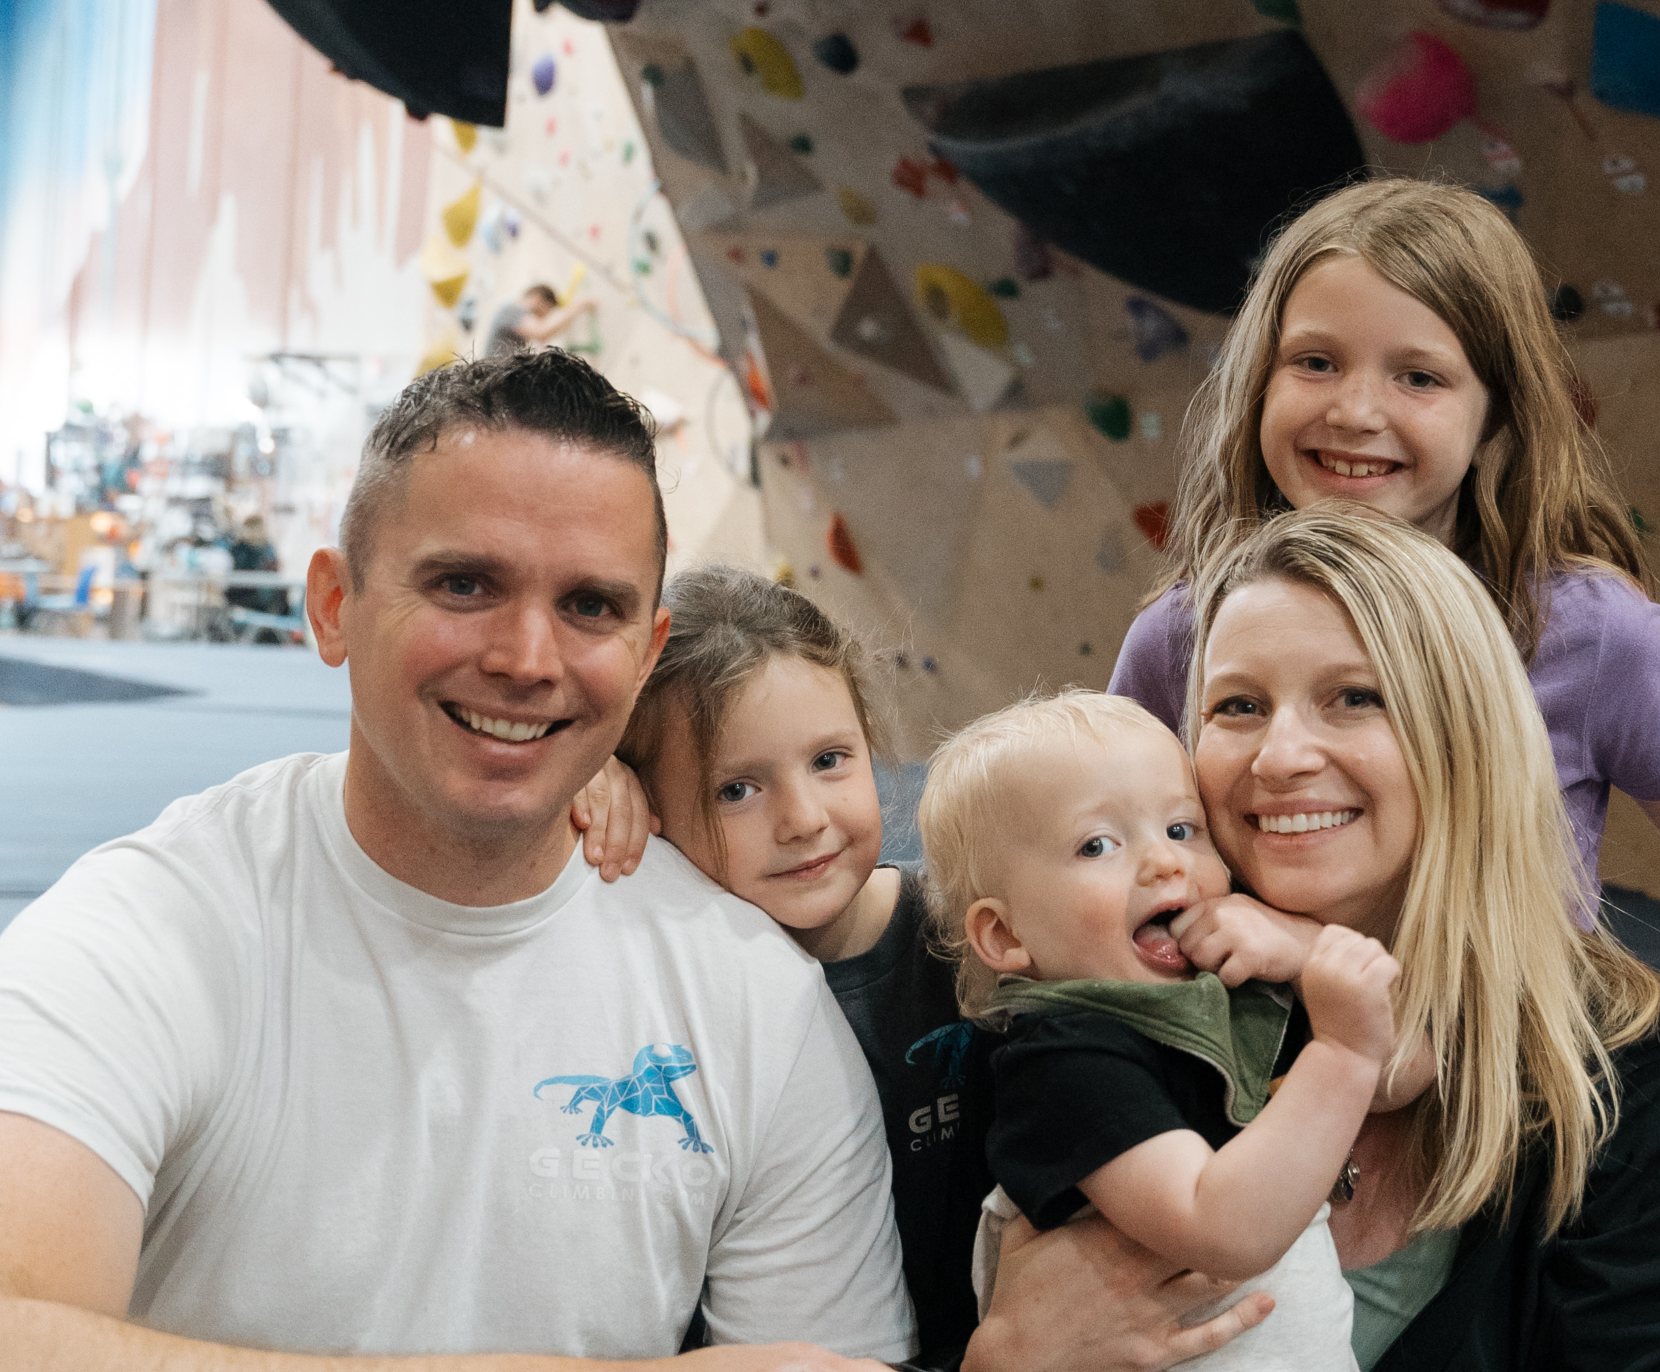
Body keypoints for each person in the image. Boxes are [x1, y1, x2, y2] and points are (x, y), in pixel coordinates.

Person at [0, 349, 912, 1370]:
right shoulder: (153, 928)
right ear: (335, 605)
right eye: (466, 583)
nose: (526, 658)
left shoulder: (755, 1006)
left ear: (647, 650)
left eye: (589, 606)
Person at [1109, 175, 1660, 1202]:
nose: (1354, 409)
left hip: (1513, 1113)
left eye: (1418, 376)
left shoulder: (1585, 630)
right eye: (1314, 361)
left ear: (1495, 414)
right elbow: (1104, 863)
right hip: (1262, 1128)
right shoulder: (1185, 638)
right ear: (1257, 383)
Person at [1178, 503, 1660, 1368]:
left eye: (1355, 698)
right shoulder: (1149, 1008)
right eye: (1239, 705)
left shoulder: (1625, 1068)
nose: (1279, 756)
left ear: (1465, 732)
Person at [917, 690, 1412, 1371]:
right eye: (1097, 845)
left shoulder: (1225, 996)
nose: (1164, 863)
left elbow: (1413, 1067)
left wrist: (1307, 951)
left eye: (1181, 830)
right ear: (1003, 934)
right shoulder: (1064, 1059)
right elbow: (1222, 1229)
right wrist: (1343, 1052)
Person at [613, 565, 994, 1367]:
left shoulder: (974, 942)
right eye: (737, 789)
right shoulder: (665, 995)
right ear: (645, 804)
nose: (803, 819)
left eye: (829, 760)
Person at [488, 283, 599, 356]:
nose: (541, 319)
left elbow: (542, 337)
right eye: (542, 315)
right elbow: (542, 331)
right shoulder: (511, 309)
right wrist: (579, 305)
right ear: (538, 298)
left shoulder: (514, 320)